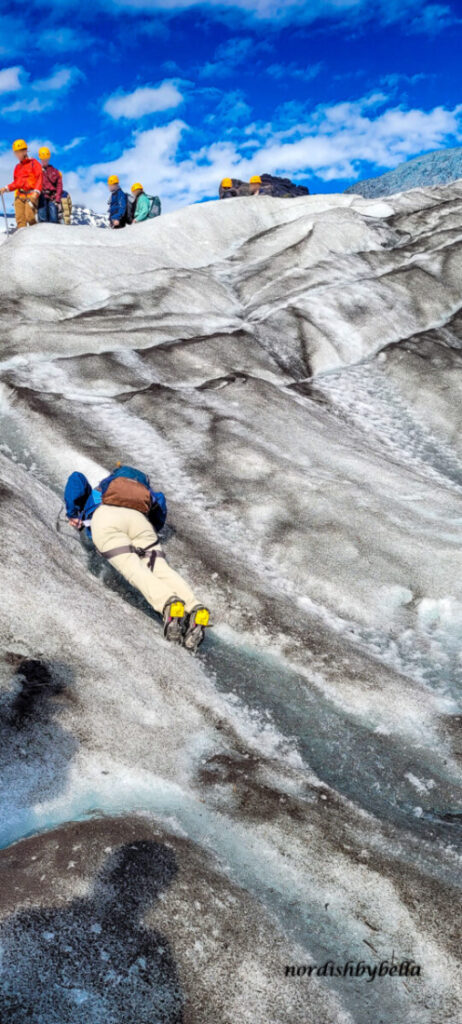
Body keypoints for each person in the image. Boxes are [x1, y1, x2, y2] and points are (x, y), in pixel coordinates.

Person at [64, 464, 210, 650]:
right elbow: (161, 505)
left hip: (106, 518)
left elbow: (76, 478)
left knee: (132, 567)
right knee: (160, 568)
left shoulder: (101, 491)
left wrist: (73, 513)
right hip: (139, 522)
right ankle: (194, 606)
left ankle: (168, 603)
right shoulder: (145, 495)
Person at [0, 139, 42, 229]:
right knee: (20, 220)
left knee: (29, 216)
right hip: (20, 196)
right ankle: (22, 241)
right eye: (16, 153)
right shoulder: (17, 167)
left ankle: (36, 236)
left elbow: (40, 178)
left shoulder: (34, 163)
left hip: (31, 194)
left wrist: (37, 192)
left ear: (25, 151)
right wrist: (6, 188)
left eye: (19, 152)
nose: (17, 155)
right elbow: (16, 183)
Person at [37, 146, 63, 223]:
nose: (44, 161)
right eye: (43, 159)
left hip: (53, 197)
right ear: (40, 159)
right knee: (42, 218)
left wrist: (57, 199)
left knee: (54, 219)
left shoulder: (55, 172)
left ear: (49, 159)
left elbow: (59, 186)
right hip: (41, 196)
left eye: (46, 159)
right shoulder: (37, 171)